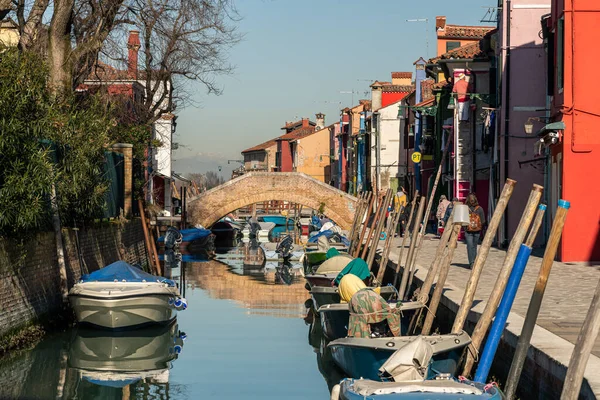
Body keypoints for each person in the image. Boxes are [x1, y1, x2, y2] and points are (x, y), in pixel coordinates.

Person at [465, 193, 485, 268]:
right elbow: (483, 221)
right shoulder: (480, 209)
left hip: (468, 231)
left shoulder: (465, 208)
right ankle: (474, 262)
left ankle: (472, 263)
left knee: (470, 246)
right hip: (477, 231)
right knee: (474, 246)